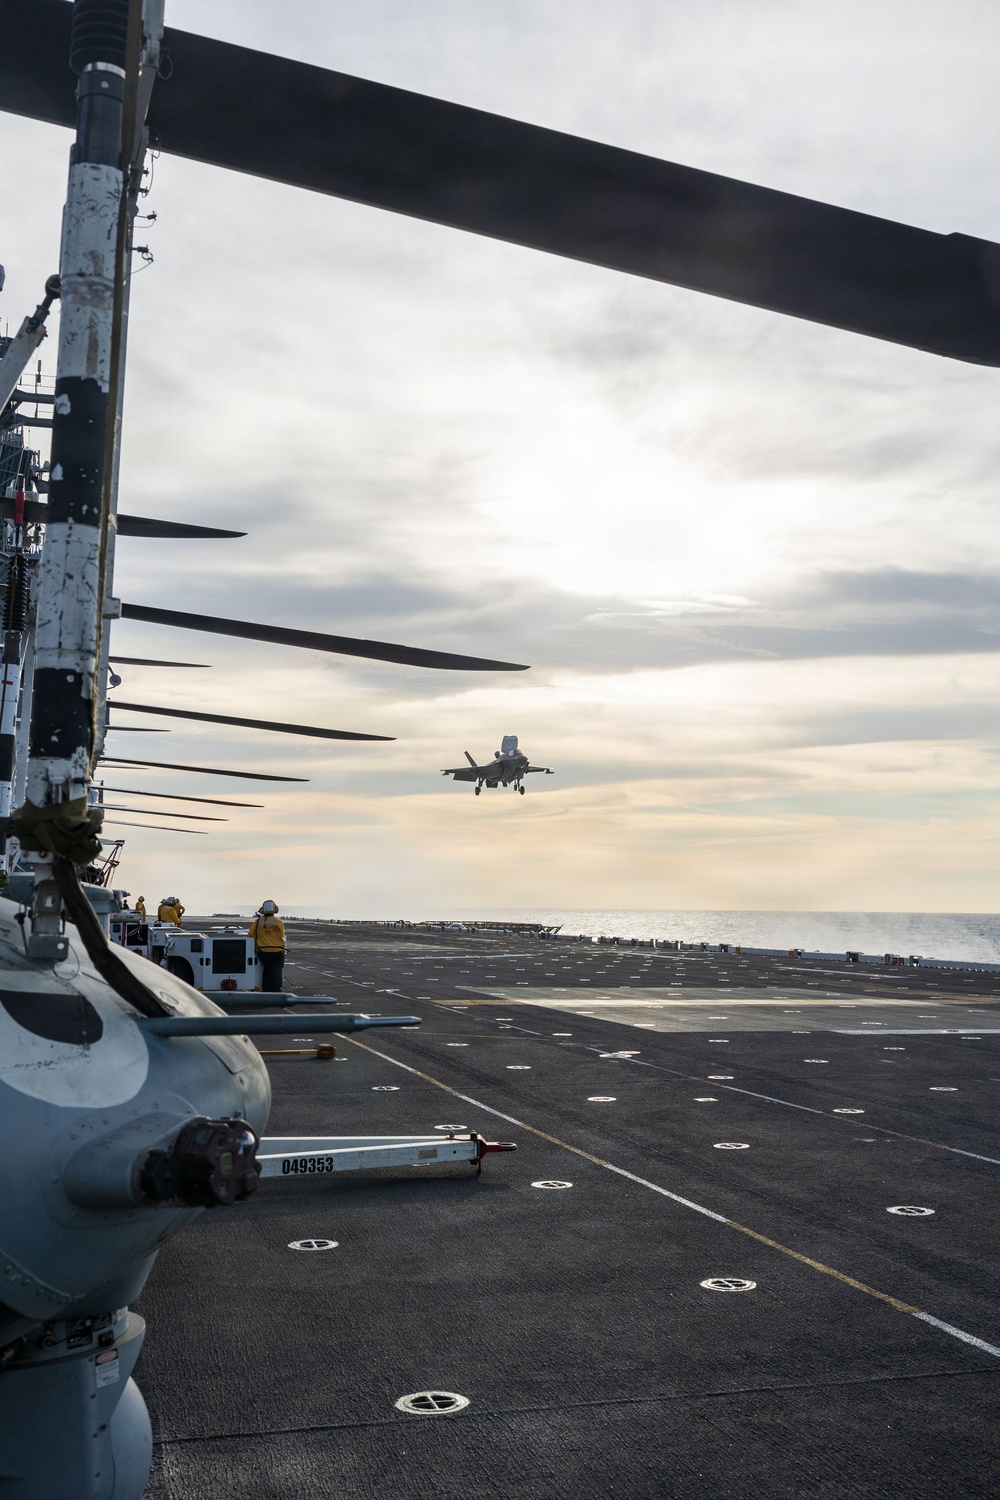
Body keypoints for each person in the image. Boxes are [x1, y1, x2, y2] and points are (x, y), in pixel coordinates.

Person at [248, 899, 285, 992]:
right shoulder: (279, 922)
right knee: (276, 971)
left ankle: (266, 988)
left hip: (263, 951)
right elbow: (282, 935)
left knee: (266, 970)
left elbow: (250, 934)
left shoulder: (257, 922)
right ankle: (276, 989)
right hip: (277, 951)